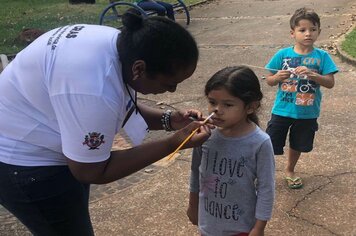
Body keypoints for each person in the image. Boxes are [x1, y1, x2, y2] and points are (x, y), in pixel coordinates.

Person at [0, 9, 212, 236]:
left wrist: (169, 119)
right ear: (139, 69)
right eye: (169, 84)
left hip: (38, 132)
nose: (172, 90)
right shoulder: (93, 87)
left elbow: (114, 103)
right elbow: (90, 170)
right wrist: (173, 143)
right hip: (23, 161)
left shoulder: (123, 45)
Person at [186, 66, 275, 236]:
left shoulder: (260, 143)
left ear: (250, 107)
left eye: (227, 104)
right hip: (208, 225)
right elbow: (195, 171)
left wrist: (259, 227)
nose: (216, 110)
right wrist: (193, 205)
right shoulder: (204, 134)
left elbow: (266, 188)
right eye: (212, 102)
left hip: (241, 228)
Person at [264, 7, 338, 189]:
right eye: (302, 30)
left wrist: (314, 75)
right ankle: (262, 172)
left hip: (307, 111)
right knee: (269, 143)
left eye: (313, 30)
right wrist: (278, 77)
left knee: (298, 143)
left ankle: (290, 170)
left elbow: (329, 83)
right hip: (282, 109)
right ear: (292, 33)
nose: (308, 34)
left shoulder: (322, 57)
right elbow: (269, 80)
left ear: (319, 32)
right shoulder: (282, 55)